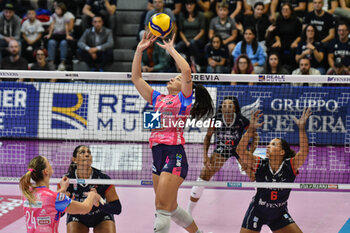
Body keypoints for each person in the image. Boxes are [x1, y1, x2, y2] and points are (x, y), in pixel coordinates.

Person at [132, 31, 214, 233]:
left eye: (176, 79)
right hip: (156, 154)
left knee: (161, 209)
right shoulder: (158, 98)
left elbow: (186, 70)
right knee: (170, 207)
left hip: (174, 154)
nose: (173, 79)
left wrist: (170, 49)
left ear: (185, 86)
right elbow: (136, 78)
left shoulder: (183, 100)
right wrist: (138, 51)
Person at [236, 108, 312, 233]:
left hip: (278, 213)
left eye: (273, 144)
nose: (268, 146)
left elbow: (304, 151)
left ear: (282, 152)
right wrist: (251, 129)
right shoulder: (260, 163)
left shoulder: (290, 166)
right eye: (269, 144)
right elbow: (240, 151)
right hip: (257, 211)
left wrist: (301, 128)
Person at [187, 96, 257, 215]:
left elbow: (255, 136)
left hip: (239, 149)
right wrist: (205, 156)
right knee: (204, 174)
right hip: (222, 149)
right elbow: (208, 137)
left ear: (234, 108)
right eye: (224, 105)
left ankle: (263, 205)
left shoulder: (241, 120)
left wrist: (250, 154)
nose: (227, 108)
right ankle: (188, 212)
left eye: (230, 105)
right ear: (221, 108)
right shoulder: (216, 120)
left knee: (253, 173)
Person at [19, 155, 102, 233]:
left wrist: (62, 189)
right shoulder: (56, 198)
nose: (51, 164)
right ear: (46, 171)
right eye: (48, 163)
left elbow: (47, 200)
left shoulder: (27, 193)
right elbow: (85, 208)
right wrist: (92, 195)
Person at [65, 145, 122, 233]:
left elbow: (117, 209)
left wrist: (99, 203)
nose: (87, 155)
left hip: (101, 217)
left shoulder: (103, 179)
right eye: (82, 152)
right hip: (77, 217)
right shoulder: (67, 181)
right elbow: (59, 213)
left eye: (89, 153)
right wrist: (63, 203)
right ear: (74, 159)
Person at [175, 0, 206, 73]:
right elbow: (181, 31)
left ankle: (196, 65)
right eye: (187, 4)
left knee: (193, 43)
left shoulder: (200, 15)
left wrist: (193, 40)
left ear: (195, 5)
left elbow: (202, 31)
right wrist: (186, 41)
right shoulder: (182, 15)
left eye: (191, 4)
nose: (189, 6)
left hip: (197, 39)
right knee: (177, 47)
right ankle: (178, 66)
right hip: (186, 39)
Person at [45, 2, 75, 71]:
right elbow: (52, 26)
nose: (56, 10)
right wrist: (49, 34)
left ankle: (62, 63)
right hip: (56, 35)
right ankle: (51, 62)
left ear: (62, 10)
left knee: (63, 43)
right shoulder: (54, 16)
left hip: (63, 35)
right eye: (56, 9)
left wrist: (67, 35)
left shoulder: (66, 16)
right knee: (51, 42)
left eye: (58, 9)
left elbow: (66, 26)